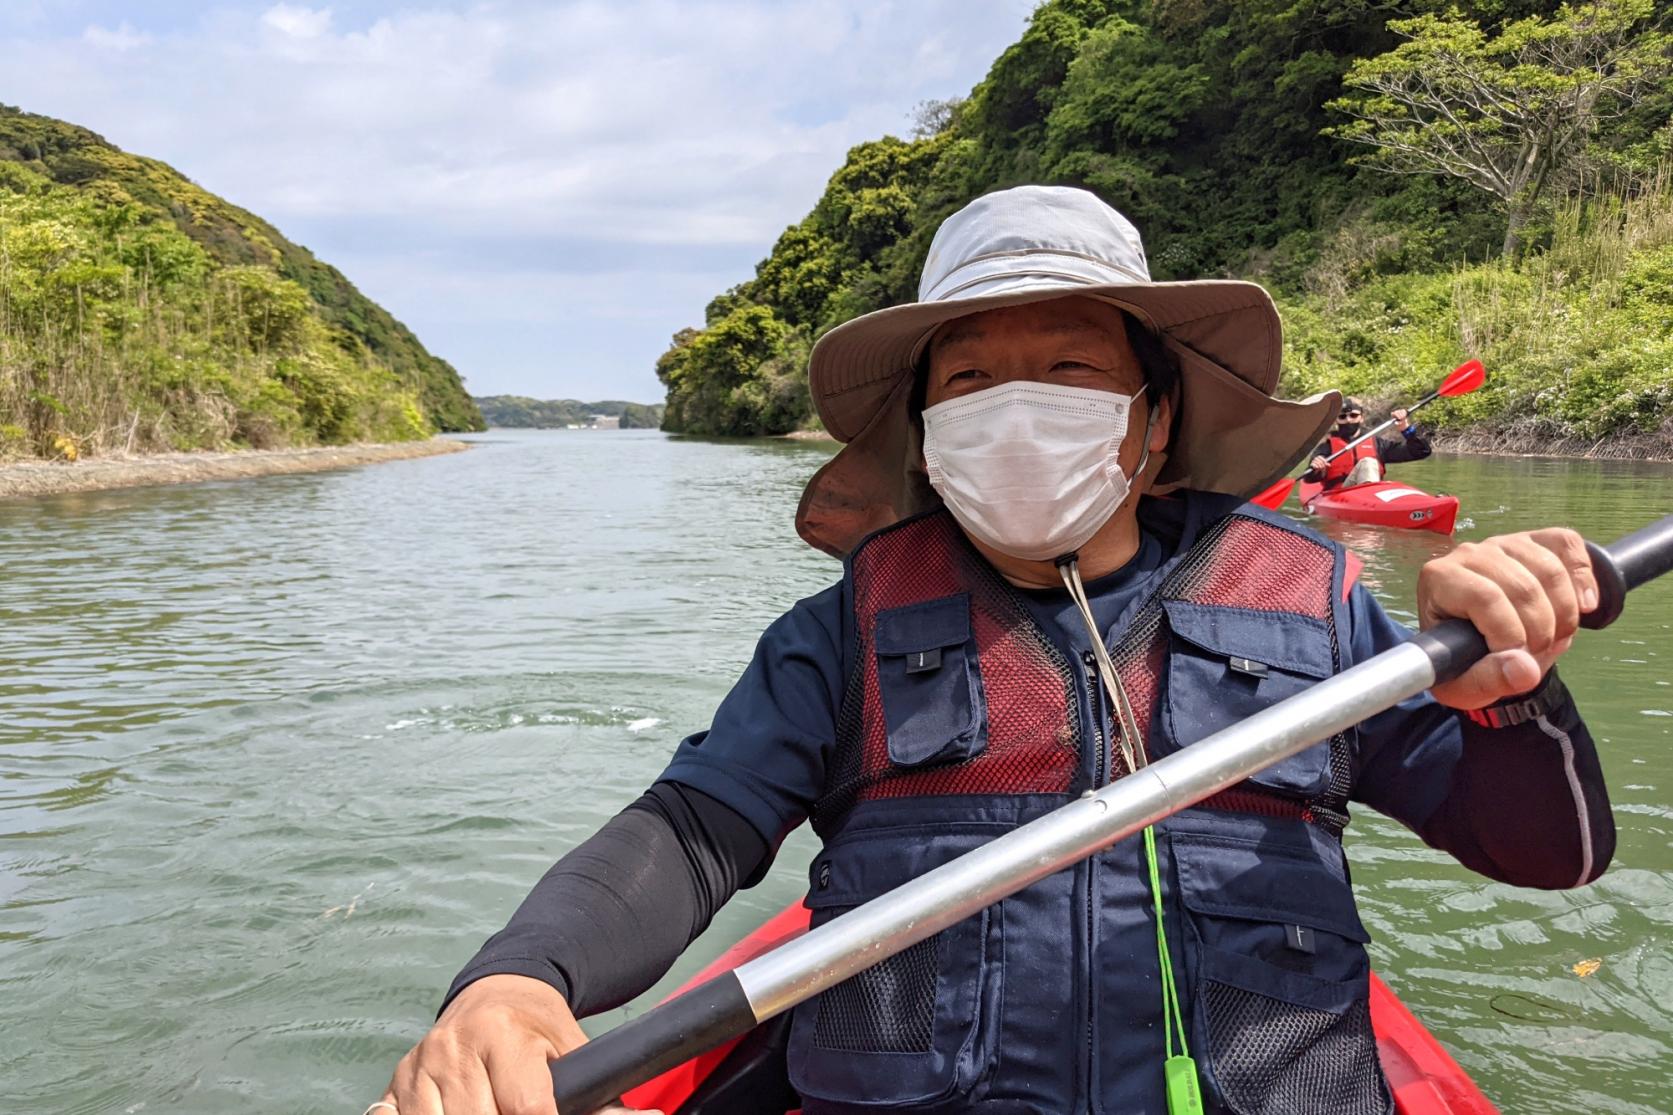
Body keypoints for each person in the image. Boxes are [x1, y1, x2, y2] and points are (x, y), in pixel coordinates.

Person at [374, 186, 1613, 1115]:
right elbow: (693, 829)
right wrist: (520, 977)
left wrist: (1506, 688)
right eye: (967, 379)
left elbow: (1549, 852)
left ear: (1154, 414)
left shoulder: (1314, 599)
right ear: (925, 430)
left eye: (1070, 365)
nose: (1014, 408)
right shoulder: (841, 631)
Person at [1302, 395, 1433, 490]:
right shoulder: (1326, 447)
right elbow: (1309, 479)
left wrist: (1405, 428)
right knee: (1368, 461)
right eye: (1342, 417)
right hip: (1338, 495)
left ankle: (1372, 495)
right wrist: (1318, 469)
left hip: (1371, 498)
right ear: (1336, 421)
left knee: (1369, 461)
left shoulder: (1378, 445)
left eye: (1353, 415)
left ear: (1362, 418)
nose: (1348, 420)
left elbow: (1420, 452)